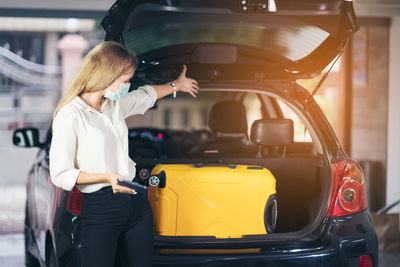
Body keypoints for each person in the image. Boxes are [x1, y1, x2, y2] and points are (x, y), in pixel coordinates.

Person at [49, 41, 199, 267]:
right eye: (125, 80)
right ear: (107, 76)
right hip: (101, 206)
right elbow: (60, 173)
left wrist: (176, 85)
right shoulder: (70, 115)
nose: (128, 85)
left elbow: (145, 95)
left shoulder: (111, 106)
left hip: (136, 203)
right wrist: (106, 177)